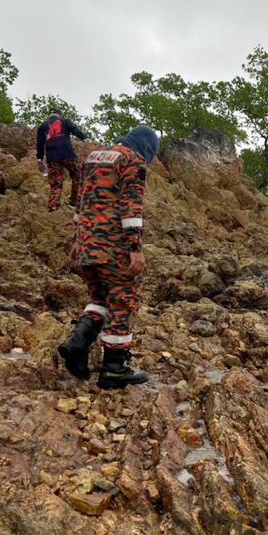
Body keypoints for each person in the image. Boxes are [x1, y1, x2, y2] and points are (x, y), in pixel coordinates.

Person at [58, 125, 160, 389]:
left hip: (87, 244)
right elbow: (131, 207)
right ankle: (114, 370)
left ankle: (76, 344)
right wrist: (135, 248)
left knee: (99, 298)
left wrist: (77, 241)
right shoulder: (133, 161)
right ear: (147, 149)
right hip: (114, 246)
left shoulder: (95, 156)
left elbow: (82, 200)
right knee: (124, 300)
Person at [36, 108, 87, 212]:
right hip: (67, 154)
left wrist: (39, 158)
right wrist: (83, 138)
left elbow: (40, 144)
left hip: (52, 157)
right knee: (77, 174)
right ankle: (74, 201)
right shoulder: (65, 121)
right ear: (60, 115)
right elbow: (75, 130)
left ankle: (53, 206)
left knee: (56, 182)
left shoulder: (43, 126)